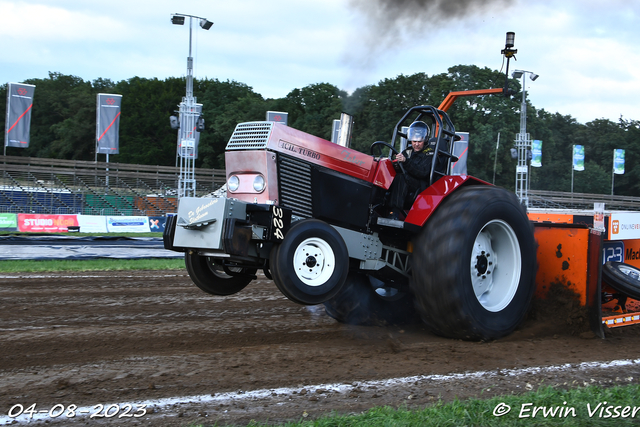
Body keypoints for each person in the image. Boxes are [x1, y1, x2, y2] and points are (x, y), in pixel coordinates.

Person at [387, 121, 434, 219]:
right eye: (414, 141)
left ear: (425, 140)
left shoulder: (429, 154)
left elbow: (423, 172)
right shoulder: (408, 151)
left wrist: (406, 161)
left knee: (401, 177)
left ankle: (394, 212)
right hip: (407, 180)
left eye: (419, 142)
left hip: (420, 185)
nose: (416, 144)